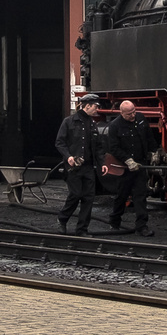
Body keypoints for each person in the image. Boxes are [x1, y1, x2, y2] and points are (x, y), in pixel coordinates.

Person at [54, 93, 104, 234]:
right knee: (75, 194)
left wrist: (102, 163)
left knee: (88, 198)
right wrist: (68, 156)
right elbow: (60, 142)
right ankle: (62, 218)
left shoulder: (93, 124)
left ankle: (82, 229)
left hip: (88, 166)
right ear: (87, 106)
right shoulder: (69, 122)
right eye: (95, 106)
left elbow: (98, 146)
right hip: (73, 167)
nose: (97, 110)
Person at [105, 100, 155, 236]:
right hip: (125, 167)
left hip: (140, 164)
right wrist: (127, 160)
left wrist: (154, 151)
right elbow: (114, 148)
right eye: (129, 114)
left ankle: (142, 226)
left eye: (134, 112)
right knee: (121, 195)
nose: (133, 115)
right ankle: (114, 221)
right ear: (121, 113)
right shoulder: (115, 126)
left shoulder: (141, 119)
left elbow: (149, 137)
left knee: (141, 195)